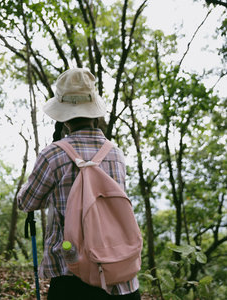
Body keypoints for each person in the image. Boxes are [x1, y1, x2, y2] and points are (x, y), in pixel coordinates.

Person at [17, 68, 141, 299]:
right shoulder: (116, 153)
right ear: (95, 111)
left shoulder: (53, 155)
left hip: (73, 278)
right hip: (122, 276)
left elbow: (26, 202)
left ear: (63, 116)